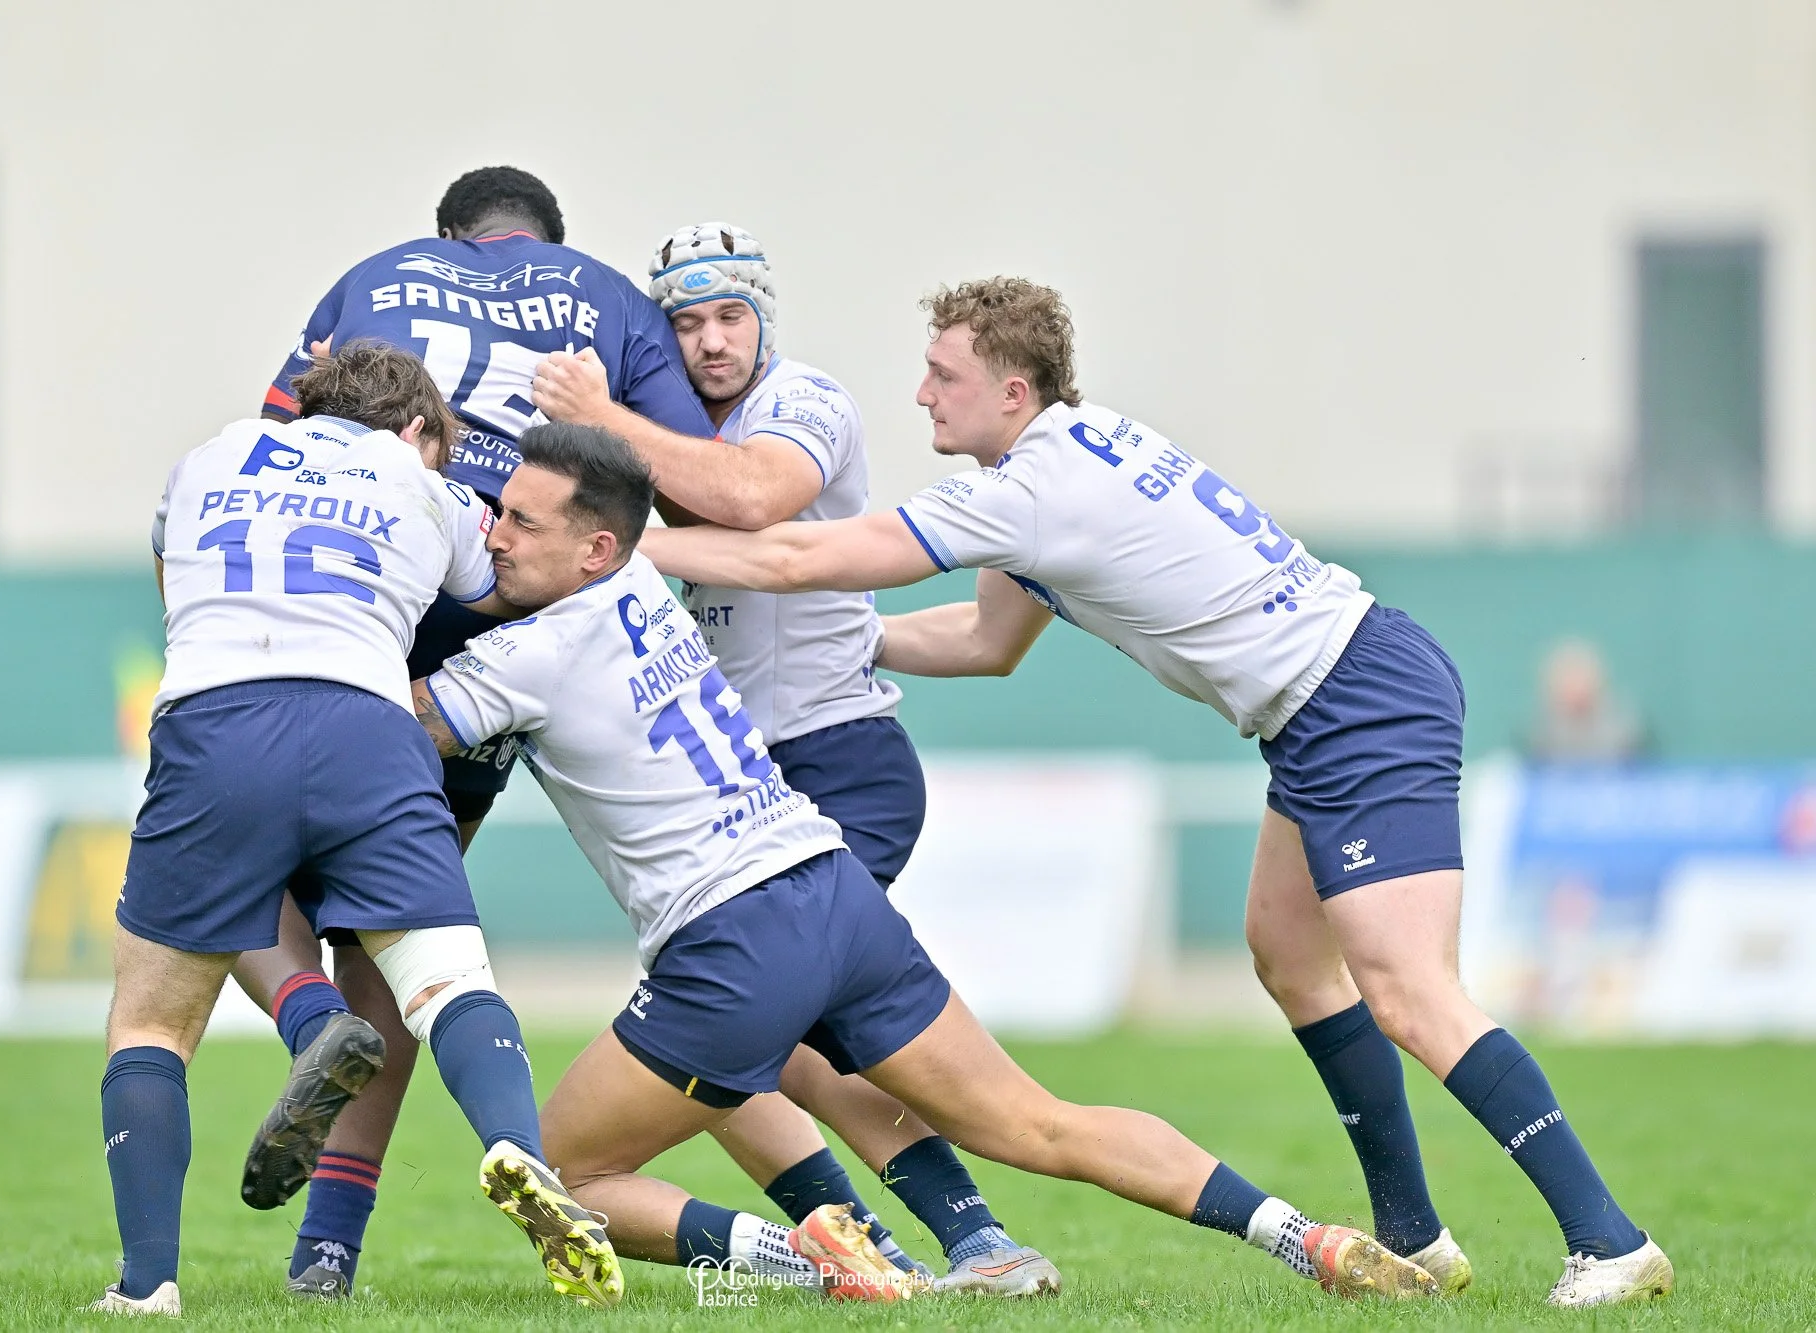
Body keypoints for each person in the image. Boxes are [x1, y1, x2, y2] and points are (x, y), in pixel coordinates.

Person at [636, 278, 1676, 1308]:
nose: (919, 395)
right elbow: (987, 640)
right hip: (1325, 702)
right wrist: (843, 652)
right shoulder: (1065, 454)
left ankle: (1608, 1239)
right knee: (1289, 957)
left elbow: (786, 549)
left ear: (1010, 388)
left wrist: (626, 547)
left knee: (1408, 991)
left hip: (1354, 699)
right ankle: (1413, 1234)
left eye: (941, 373)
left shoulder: (1028, 491)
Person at [411, 418, 1441, 1305]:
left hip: (729, 939)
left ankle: (808, 1255)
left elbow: (392, 736)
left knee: (560, 1172)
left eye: (516, 522)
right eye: (494, 513)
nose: (491, 536)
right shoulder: (638, 581)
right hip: (831, 894)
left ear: (595, 546)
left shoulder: (525, 656)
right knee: (1040, 1123)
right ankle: (1302, 1238)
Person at [530, 222, 1057, 1295]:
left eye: (730, 316)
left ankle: (953, 1240)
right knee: (752, 1045)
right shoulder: (668, 432)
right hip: (749, 789)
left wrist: (598, 423)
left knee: (764, 1035)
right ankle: (909, 1246)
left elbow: (753, 499)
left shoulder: (799, 400)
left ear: (764, 318)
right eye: (686, 322)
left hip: (840, 761)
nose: (712, 341)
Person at [225, 166, 716, 1298]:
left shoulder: (373, 277)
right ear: (549, 240)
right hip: (514, 598)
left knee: (229, 869)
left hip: (366, 596)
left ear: (450, 235)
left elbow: (281, 441)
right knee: (402, 943)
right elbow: (677, 484)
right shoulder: (606, 299)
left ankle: (304, 1025)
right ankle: (328, 1246)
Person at [92, 343, 621, 1315]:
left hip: (215, 719)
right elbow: (498, 582)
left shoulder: (208, 456)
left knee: (150, 1020)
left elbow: (171, 577)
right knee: (446, 980)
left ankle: (145, 1286)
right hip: (370, 727)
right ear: (418, 430)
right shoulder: (430, 488)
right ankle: (521, 1155)